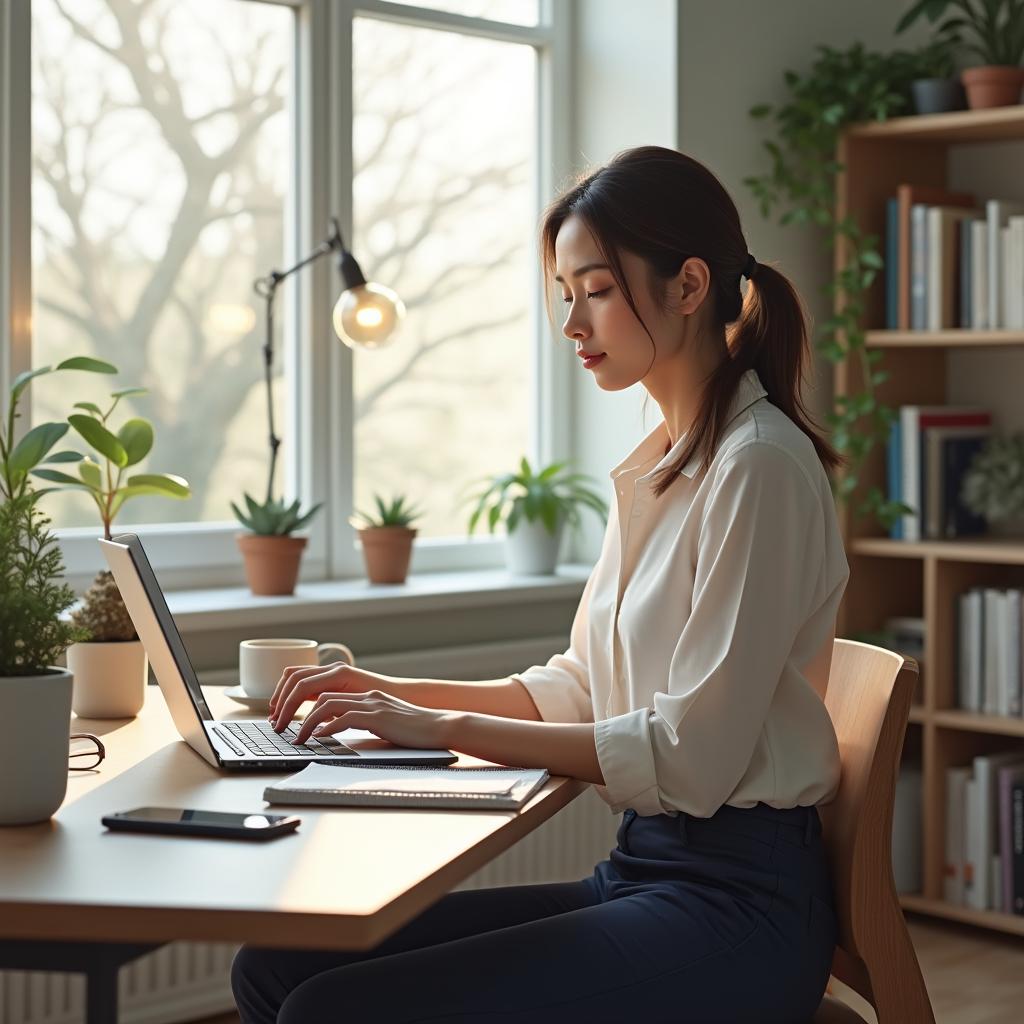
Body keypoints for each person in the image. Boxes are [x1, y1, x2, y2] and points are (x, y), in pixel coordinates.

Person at [231, 144, 849, 1023]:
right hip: (644, 871)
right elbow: (578, 689)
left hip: (738, 910)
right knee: (275, 966)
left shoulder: (759, 471)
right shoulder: (664, 468)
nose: (572, 324)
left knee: (327, 1010)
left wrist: (435, 725)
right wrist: (384, 692)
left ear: (688, 285)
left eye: (596, 290)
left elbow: (692, 757)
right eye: (567, 295)